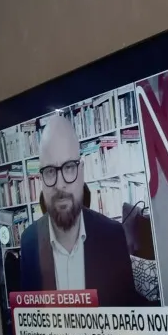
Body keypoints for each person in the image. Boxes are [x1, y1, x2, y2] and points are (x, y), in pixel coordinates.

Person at [20, 115, 140, 306]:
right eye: (50, 171)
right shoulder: (29, 242)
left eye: (69, 167)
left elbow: (128, 313)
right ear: (41, 178)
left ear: (82, 170)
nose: (60, 184)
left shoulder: (113, 236)